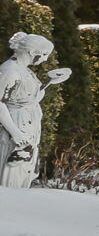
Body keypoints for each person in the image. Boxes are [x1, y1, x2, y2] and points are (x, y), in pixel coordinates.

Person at [0, 31, 70, 188]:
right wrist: (15, 133)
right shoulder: (9, 70)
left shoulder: (25, 70)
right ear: (32, 52)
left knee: (25, 168)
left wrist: (51, 82)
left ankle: (20, 202)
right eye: (44, 54)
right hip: (15, 125)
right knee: (13, 168)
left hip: (29, 124)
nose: (45, 59)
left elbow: (29, 97)